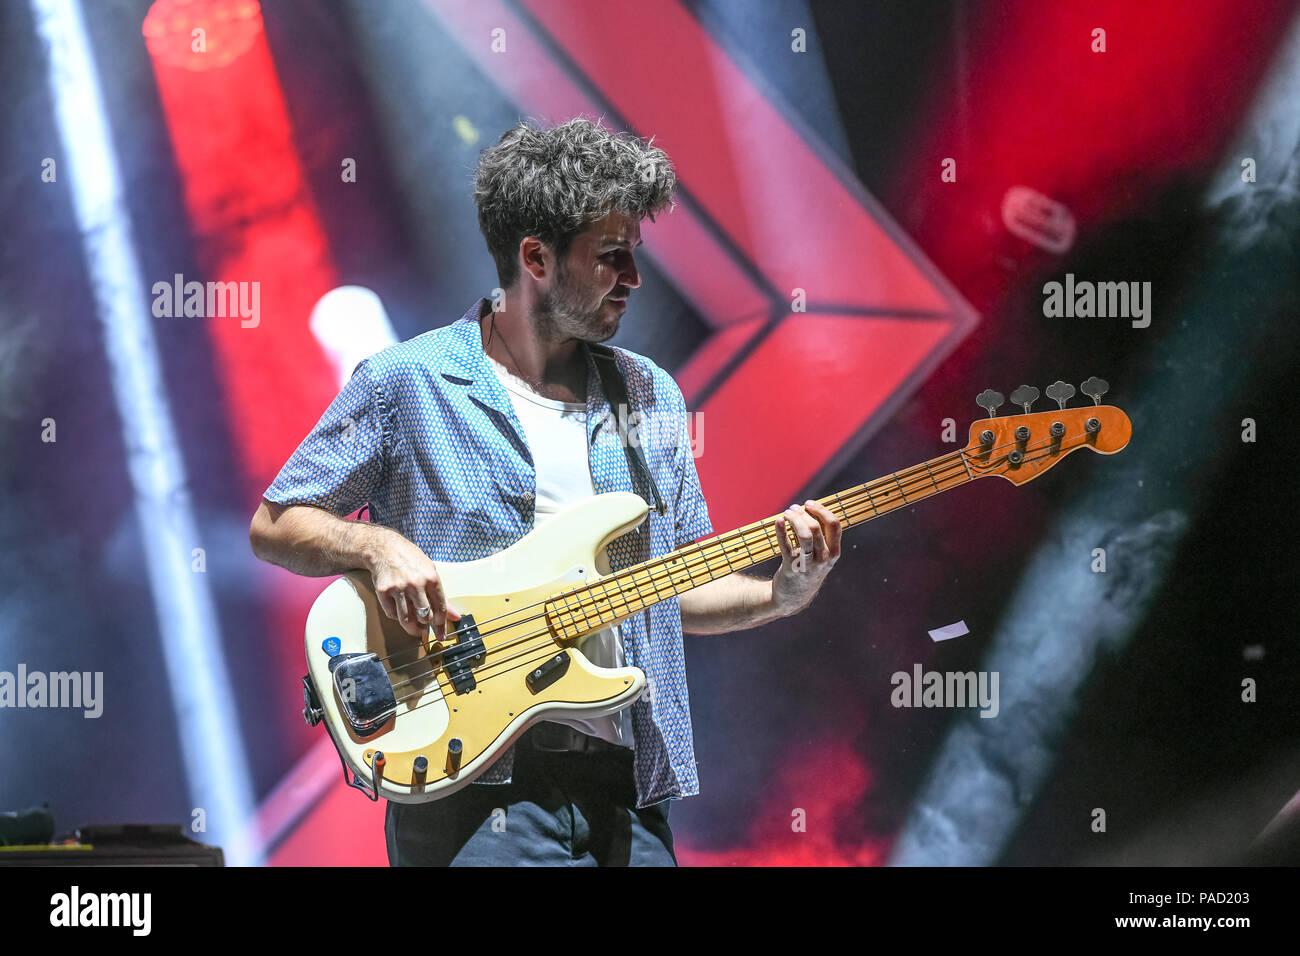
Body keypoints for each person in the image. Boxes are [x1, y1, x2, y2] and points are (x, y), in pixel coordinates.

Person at [249, 117, 842, 866]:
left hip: (626, 789)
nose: (633, 278)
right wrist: (374, 544)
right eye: (612, 257)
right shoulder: (408, 381)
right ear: (535, 256)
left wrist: (780, 594)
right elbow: (276, 523)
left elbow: (671, 584)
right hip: (472, 791)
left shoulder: (648, 394)